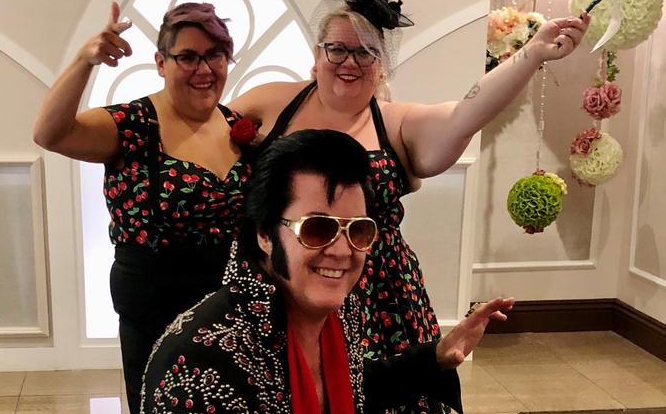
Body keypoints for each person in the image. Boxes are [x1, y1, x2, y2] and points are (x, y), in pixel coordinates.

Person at [226, 0, 589, 413]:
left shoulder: (398, 124)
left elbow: (467, 113)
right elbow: (201, 135)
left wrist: (531, 55)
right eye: (337, 49)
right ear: (316, 54)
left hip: (381, 296)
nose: (349, 62)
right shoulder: (270, 101)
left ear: (382, 67)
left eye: (365, 52)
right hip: (281, 282)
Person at [141, 129, 515, 414]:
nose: (341, 251)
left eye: (358, 230)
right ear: (264, 235)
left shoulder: (338, 307)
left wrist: (436, 355)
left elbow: (350, 386)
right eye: (317, 228)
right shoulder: (199, 363)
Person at [33, 1, 252, 414]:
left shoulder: (237, 125)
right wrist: (85, 59)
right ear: (161, 62)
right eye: (187, 56)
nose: (204, 69)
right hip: (155, 302)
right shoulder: (133, 124)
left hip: (227, 301)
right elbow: (50, 133)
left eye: (215, 55)